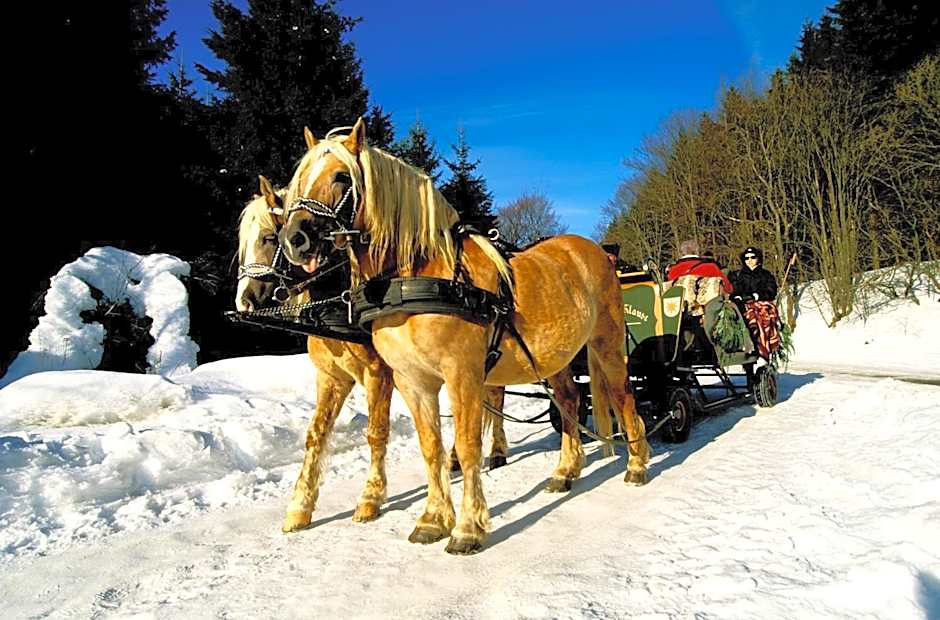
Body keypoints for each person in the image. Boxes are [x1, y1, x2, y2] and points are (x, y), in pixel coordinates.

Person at [729, 246, 781, 364]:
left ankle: (763, 347)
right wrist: (738, 297)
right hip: (743, 306)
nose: (750, 260)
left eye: (753, 257)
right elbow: (733, 290)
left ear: (758, 258)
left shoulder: (766, 275)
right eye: (747, 258)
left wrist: (756, 296)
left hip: (761, 305)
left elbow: (771, 291)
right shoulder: (738, 275)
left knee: (762, 318)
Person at [667, 239, 734, 294]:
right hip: (707, 308)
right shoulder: (711, 267)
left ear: (682, 253)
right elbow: (728, 289)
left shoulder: (672, 271)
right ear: (697, 251)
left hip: (682, 308)